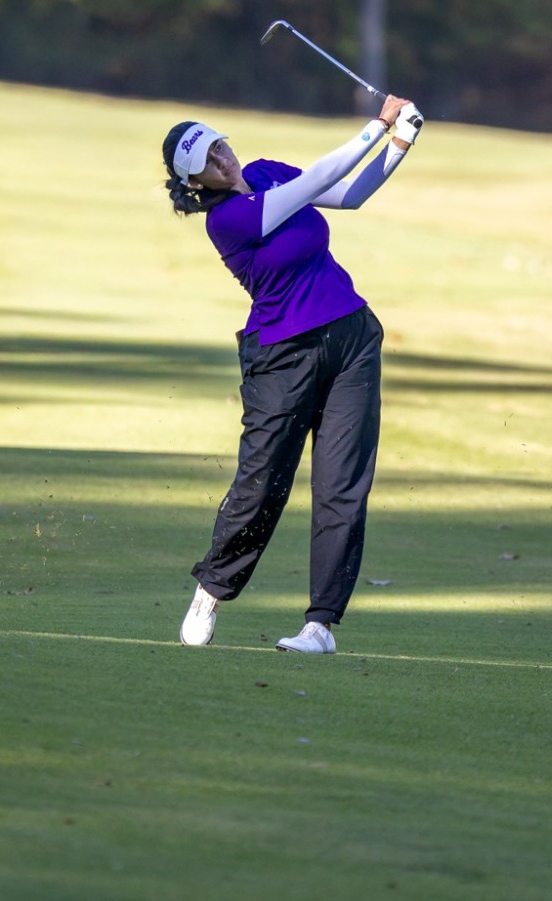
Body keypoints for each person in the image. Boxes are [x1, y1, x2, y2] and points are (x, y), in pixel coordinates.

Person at [160, 94, 425, 653]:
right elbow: (316, 181)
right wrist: (375, 126)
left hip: (351, 336)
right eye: (209, 162)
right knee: (262, 485)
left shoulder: (265, 171)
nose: (224, 160)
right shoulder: (226, 220)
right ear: (195, 183)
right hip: (283, 357)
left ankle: (319, 625)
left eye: (220, 146)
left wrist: (401, 141)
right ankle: (212, 590)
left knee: (342, 486)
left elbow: (347, 194)